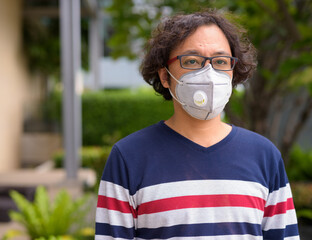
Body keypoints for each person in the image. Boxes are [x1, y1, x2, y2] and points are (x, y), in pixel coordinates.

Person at [95, 10, 300, 240]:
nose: (209, 73)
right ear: (165, 76)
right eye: (192, 61)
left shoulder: (265, 156)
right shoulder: (128, 157)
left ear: (233, 71)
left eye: (221, 61)